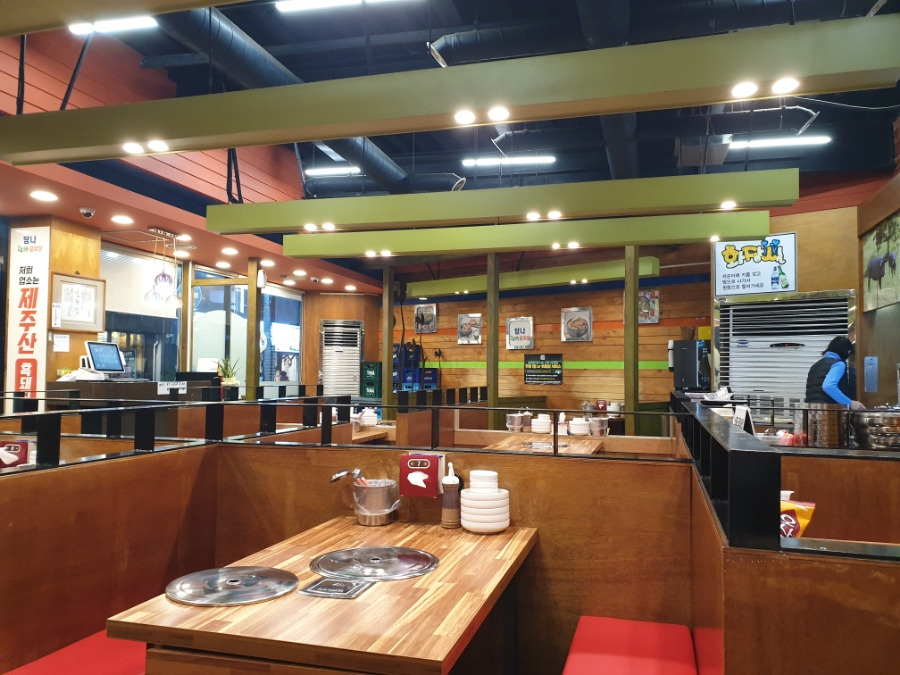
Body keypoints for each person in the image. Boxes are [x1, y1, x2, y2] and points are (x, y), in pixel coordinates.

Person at [805, 336, 865, 411]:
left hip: (811, 411)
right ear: (847, 351)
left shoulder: (815, 366)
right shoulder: (838, 364)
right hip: (828, 412)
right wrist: (850, 403)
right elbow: (828, 386)